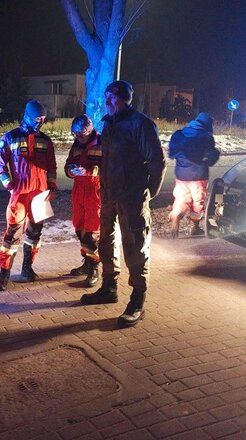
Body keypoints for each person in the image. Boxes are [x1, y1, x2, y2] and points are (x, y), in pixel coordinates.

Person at [80, 80, 166, 328]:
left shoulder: (141, 124)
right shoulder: (109, 123)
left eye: (113, 97)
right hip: (109, 196)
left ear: (125, 100)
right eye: (106, 96)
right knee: (106, 242)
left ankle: (138, 300)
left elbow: (157, 162)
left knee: (135, 247)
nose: (107, 101)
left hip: (132, 197)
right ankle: (109, 287)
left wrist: (147, 193)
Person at [0, 99, 57, 291]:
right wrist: (8, 183)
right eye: (37, 119)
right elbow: (0, 163)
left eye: (43, 119)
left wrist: (52, 187)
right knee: (12, 233)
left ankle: (27, 268)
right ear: (27, 116)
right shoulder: (10, 138)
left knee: (35, 234)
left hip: (40, 195)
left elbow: (52, 166)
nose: (40, 122)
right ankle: (4, 273)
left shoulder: (45, 141)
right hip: (20, 194)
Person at [167, 112, 220, 237]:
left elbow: (171, 153)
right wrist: (213, 156)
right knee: (197, 203)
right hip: (199, 176)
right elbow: (211, 158)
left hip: (181, 176)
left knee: (181, 199)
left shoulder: (180, 134)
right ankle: (195, 227)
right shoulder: (206, 137)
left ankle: (176, 216)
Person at [64, 115, 102, 287]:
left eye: (81, 134)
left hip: (95, 191)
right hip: (79, 191)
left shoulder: (102, 143)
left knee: (92, 231)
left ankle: (94, 268)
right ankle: (86, 263)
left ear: (89, 130)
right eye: (76, 134)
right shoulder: (77, 144)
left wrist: (90, 171)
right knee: (80, 228)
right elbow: (68, 163)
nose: (78, 137)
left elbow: (110, 166)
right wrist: (70, 170)